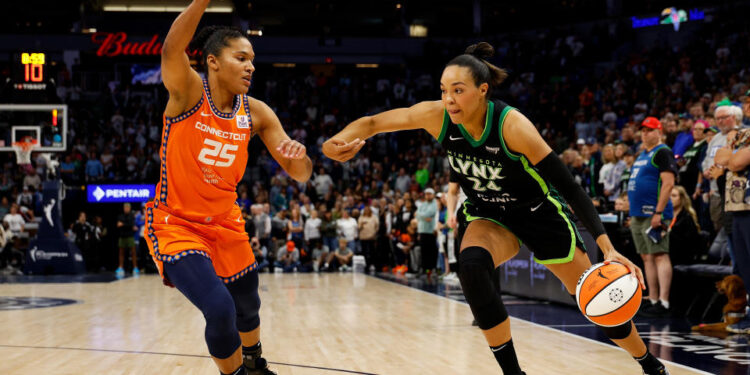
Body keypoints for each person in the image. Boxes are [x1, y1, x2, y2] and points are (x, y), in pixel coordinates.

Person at [323, 42, 668, 375]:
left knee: (595, 296)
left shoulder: (512, 126)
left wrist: (606, 247)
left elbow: (569, 185)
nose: (448, 99)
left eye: (458, 91)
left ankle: (647, 362)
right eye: (444, 90)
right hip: (488, 213)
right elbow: (371, 124)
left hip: (537, 213)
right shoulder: (437, 116)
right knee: (471, 267)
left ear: (483, 90)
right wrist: (335, 141)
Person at [145, 2, 312, 374]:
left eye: (252, 59)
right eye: (241, 57)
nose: (251, 66)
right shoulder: (188, 92)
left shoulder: (256, 112)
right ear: (212, 61)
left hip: (226, 224)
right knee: (219, 308)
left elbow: (300, 174)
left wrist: (298, 156)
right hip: (177, 224)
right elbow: (172, 50)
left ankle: (253, 363)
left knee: (248, 303)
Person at [628, 117, 677, 318]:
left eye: (649, 130)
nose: (645, 133)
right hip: (638, 213)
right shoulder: (642, 154)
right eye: (643, 130)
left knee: (659, 254)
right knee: (646, 257)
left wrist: (658, 212)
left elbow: (668, 183)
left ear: (659, 132)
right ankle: (653, 298)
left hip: (654, 213)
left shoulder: (662, 152)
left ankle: (664, 302)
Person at [116, 203, 139, 278]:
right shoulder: (120, 216)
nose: (126, 209)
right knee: (121, 252)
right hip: (122, 236)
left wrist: (123, 224)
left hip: (130, 236)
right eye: (125, 207)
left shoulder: (132, 216)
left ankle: (135, 267)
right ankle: (120, 267)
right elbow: (118, 225)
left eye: (127, 207)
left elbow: (131, 224)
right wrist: (127, 225)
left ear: (129, 208)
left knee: (133, 252)